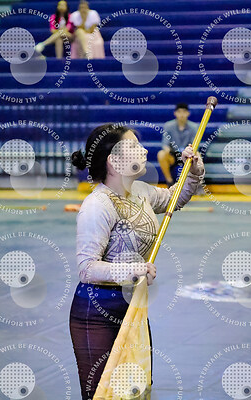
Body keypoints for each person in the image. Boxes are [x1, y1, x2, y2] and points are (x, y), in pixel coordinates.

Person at [70, 123, 205, 399]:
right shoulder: (97, 205)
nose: (143, 151)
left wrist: (192, 172)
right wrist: (134, 270)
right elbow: (87, 269)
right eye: (134, 146)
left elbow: (174, 199)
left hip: (132, 308)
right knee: (101, 393)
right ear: (114, 161)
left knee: (135, 391)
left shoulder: (141, 191)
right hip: (96, 312)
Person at [157, 103, 199, 187]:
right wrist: (166, 149)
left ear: (188, 113)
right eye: (179, 112)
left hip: (188, 155)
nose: (181, 114)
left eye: (184, 112)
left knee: (198, 155)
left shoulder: (194, 127)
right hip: (173, 154)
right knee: (161, 154)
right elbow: (165, 144)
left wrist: (190, 152)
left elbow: (195, 145)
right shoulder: (168, 126)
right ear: (175, 113)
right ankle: (169, 181)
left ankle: (196, 183)